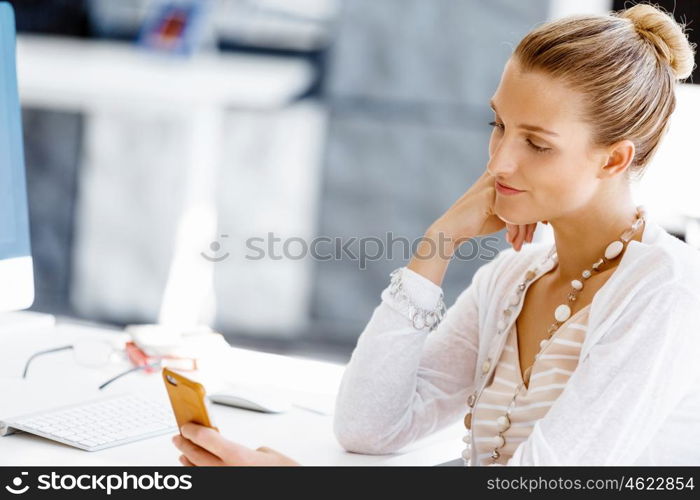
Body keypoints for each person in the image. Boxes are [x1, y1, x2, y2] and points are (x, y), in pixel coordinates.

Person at [172, 3, 700, 466]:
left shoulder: (665, 294)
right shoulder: (514, 278)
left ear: (614, 159)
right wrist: (437, 245)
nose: (500, 163)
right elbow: (370, 428)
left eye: (537, 144)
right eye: (498, 125)